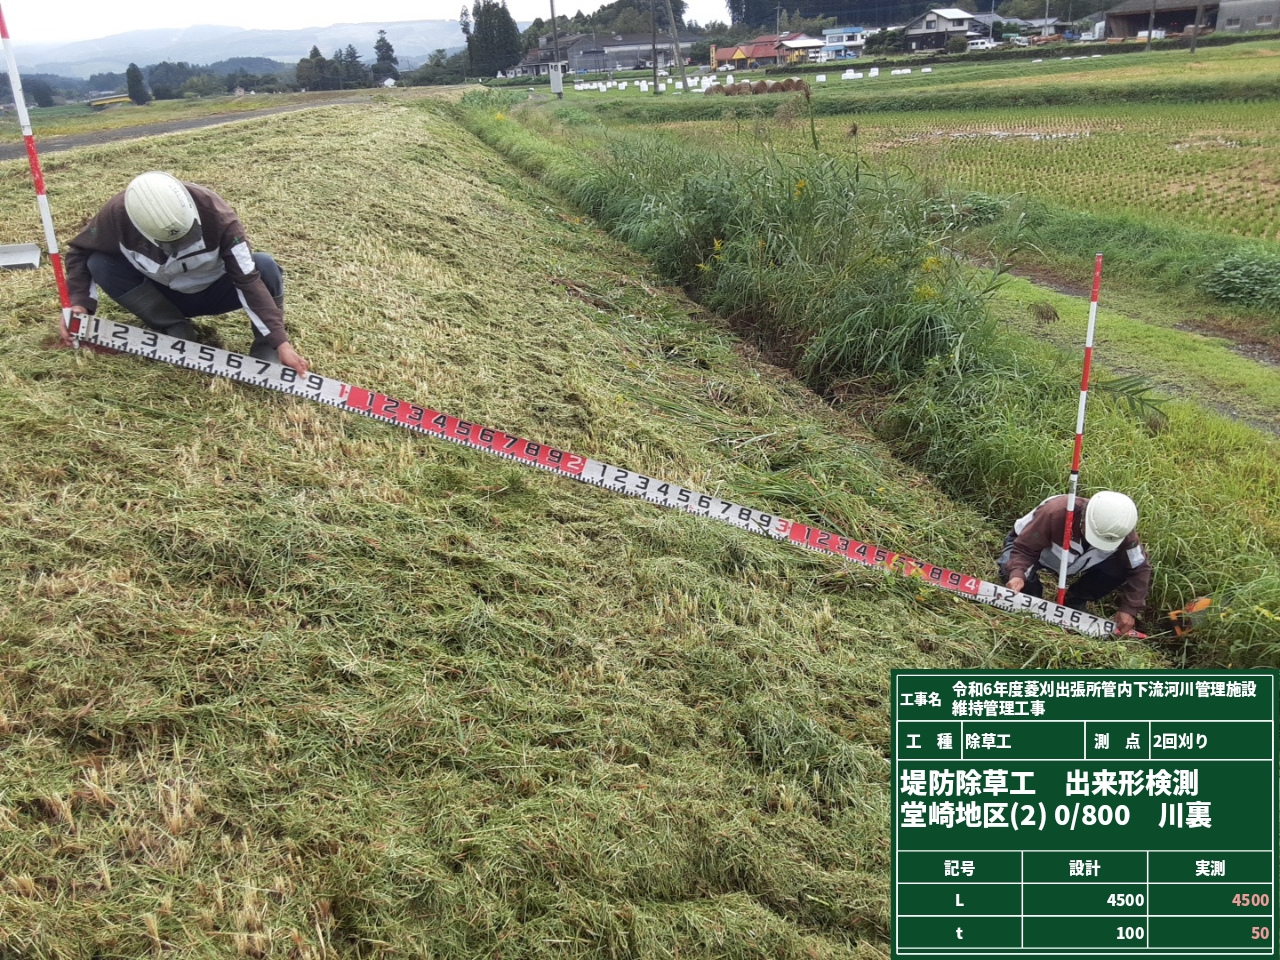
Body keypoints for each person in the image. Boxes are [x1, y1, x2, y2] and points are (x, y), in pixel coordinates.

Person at [62, 172, 307, 375]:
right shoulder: (116, 215)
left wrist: (280, 341)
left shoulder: (220, 218)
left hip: (216, 291)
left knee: (264, 266)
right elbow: (79, 252)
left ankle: (267, 349)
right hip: (164, 297)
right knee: (100, 263)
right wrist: (79, 305)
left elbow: (248, 279)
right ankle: (174, 327)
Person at [997, 491, 1150, 635]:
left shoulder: (1123, 533)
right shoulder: (1054, 512)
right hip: (1031, 549)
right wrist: (1017, 574)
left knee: (1119, 569)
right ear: (1084, 519)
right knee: (1010, 567)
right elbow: (1024, 549)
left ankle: (1075, 601)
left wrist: (1130, 608)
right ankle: (1032, 598)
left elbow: (1139, 567)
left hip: (1078, 562)